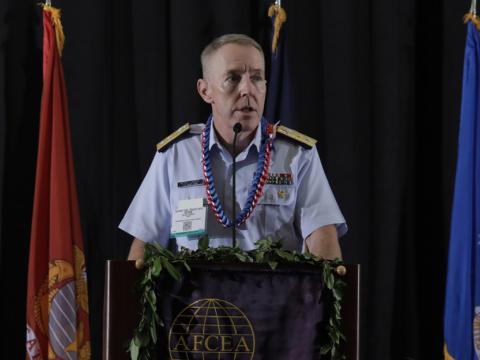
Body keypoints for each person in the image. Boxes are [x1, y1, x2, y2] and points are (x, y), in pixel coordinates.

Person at [119, 34, 347, 261]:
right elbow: (145, 244)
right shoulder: (176, 154)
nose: (247, 89)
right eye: (233, 78)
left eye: (257, 78)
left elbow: (322, 236)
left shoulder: (297, 155)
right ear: (205, 91)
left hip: (273, 295)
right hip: (196, 297)